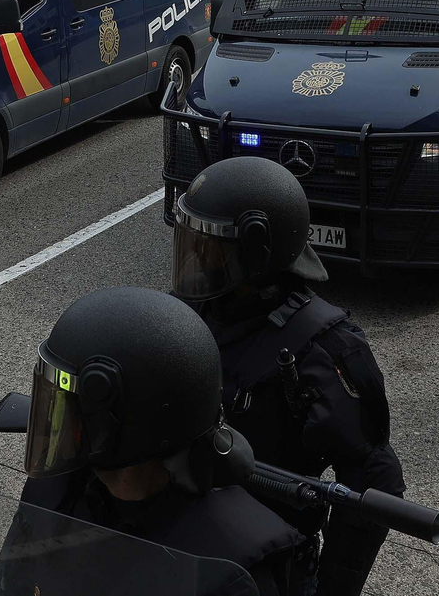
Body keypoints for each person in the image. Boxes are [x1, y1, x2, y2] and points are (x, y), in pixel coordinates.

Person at [171, 157, 406, 596]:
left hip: (266, 568)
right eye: (191, 241)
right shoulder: (191, 313)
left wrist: (334, 591)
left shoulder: (327, 351)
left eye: (209, 247)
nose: (195, 258)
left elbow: (376, 480)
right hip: (176, 547)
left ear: (257, 253)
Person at [12, 286, 308, 596]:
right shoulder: (56, 493)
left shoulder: (227, 566)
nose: (56, 428)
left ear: (129, 426)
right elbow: (7, 584)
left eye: (70, 410)